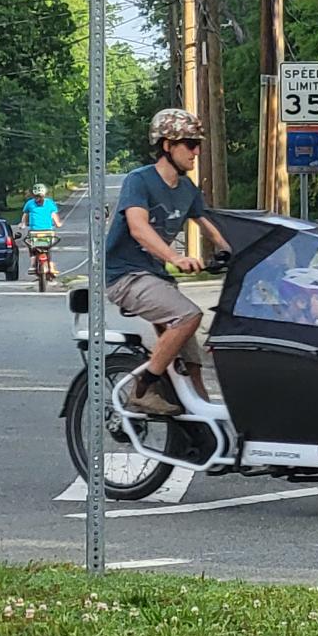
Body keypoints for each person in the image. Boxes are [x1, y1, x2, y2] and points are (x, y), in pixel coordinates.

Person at [107, 108, 230, 417]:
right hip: (126, 276)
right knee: (189, 316)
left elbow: (209, 225)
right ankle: (142, 389)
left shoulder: (187, 190)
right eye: (189, 143)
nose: (196, 151)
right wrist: (175, 257)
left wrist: (235, 252)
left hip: (156, 278)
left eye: (197, 143)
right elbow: (138, 227)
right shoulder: (140, 181)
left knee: (192, 362)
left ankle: (204, 431)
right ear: (167, 145)